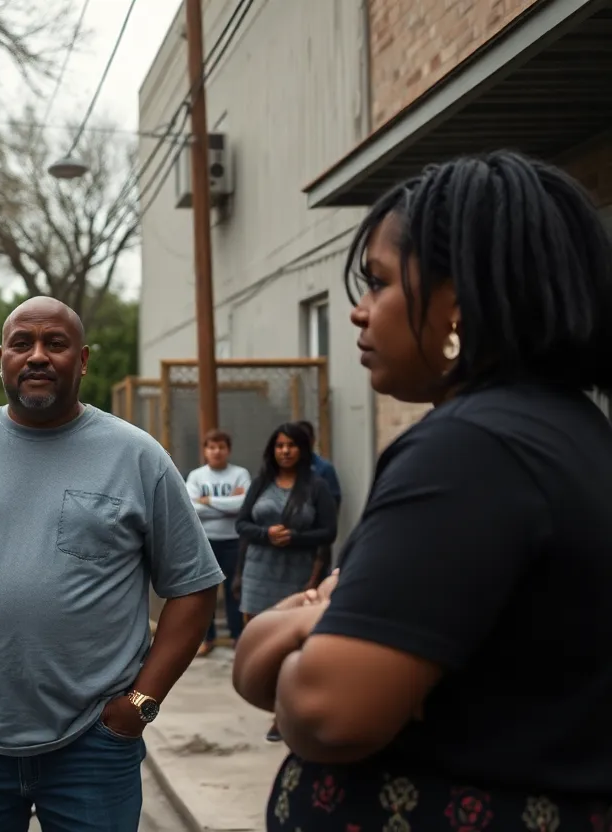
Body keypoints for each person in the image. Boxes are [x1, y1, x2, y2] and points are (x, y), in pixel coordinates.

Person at [233, 151, 612, 830]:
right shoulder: (570, 431)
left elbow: (327, 710)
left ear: (457, 302)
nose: (357, 312)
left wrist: (316, 618)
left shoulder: (471, 449)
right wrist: (315, 622)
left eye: (377, 283)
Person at [0, 296, 222, 832]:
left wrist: (140, 703)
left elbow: (195, 586)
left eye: (55, 344)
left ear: (82, 360)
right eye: (22, 343)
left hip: (95, 744)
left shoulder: (137, 457)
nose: (37, 356)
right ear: (2, 357)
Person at [234, 422, 337, 744]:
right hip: (258, 571)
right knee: (261, 642)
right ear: (272, 450)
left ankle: (282, 715)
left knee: (289, 646)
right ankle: (275, 704)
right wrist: (266, 534)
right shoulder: (261, 482)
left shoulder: (316, 486)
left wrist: (295, 538)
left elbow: (329, 532)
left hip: (297, 575)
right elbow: (242, 524)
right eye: (279, 445)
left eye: (291, 445)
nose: (285, 451)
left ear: (302, 450)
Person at [185, 429, 250, 656]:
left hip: (234, 541)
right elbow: (191, 509)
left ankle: (237, 636)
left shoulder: (240, 474)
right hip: (205, 541)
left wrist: (209, 500)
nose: (217, 452)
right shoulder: (196, 476)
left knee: (235, 591)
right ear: (205, 451)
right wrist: (228, 503)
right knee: (205, 592)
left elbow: (244, 506)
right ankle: (207, 638)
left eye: (221, 447)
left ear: (228, 450)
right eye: (212, 447)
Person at [295, 421, 340, 507]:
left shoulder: (324, 469)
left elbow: (334, 502)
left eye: (305, 440)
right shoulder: (286, 468)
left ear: (313, 441)